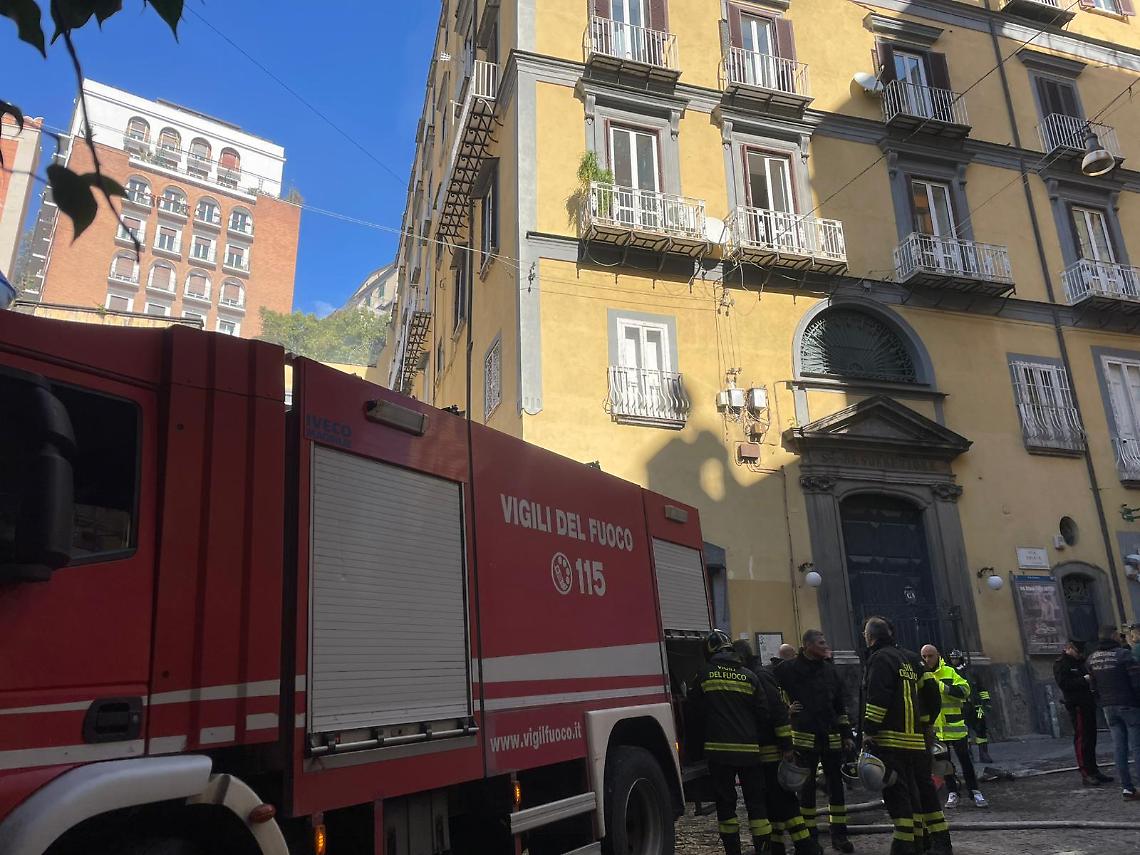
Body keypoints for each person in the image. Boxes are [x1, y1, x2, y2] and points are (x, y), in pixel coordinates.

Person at [689, 629, 776, 855]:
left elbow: (694, 714)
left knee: (726, 807)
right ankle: (764, 850)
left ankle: (733, 851)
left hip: (719, 754)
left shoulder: (704, 676)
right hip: (750, 752)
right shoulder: (750, 676)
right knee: (757, 805)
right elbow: (764, 714)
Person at [775, 631, 855, 853]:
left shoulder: (830, 671)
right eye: (821, 643)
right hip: (804, 740)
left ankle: (839, 836)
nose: (825, 646)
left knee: (836, 789)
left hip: (831, 738)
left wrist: (846, 734)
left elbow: (840, 705)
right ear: (807, 645)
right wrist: (785, 710)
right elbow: (768, 691)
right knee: (806, 791)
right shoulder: (788, 670)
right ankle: (810, 839)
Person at [862, 617, 930, 855]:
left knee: (896, 794)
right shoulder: (904, 659)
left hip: (890, 739)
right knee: (912, 792)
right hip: (912, 738)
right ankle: (919, 840)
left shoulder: (880, 659)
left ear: (870, 637)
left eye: (865, 634)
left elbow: (877, 698)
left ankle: (903, 846)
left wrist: (869, 730)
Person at [753, 662, 822, 855]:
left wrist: (786, 747)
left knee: (785, 801)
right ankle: (778, 847)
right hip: (767, 752)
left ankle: (806, 846)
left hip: (771, 753)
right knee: (773, 804)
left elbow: (776, 713)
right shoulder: (761, 676)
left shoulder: (759, 677)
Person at [920, 645, 987, 809]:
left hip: (955, 726)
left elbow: (965, 690)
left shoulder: (949, 671)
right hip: (936, 729)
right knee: (944, 764)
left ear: (938, 656)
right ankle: (953, 792)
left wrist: (944, 687)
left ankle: (975, 791)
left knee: (965, 761)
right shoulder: (921, 675)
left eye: (930, 656)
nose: (927, 659)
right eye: (924, 656)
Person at [1087, 625, 1140, 800]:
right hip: (1128, 705)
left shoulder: (1092, 659)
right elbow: (1136, 682)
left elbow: (1093, 686)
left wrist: (1101, 702)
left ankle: (1127, 788)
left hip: (1108, 708)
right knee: (1137, 747)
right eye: (1118, 634)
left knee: (1119, 748)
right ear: (1114, 636)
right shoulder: (1124, 655)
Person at [1053, 638, 1112, 786]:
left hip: (1088, 703)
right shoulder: (1062, 664)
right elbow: (1064, 684)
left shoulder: (1080, 662)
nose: (1080, 655)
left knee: (1091, 738)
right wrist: (1084, 680)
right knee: (1082, 739)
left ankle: (1094, 770)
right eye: (1077, 651)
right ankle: (1086, 773)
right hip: (1076, 705)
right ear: (1069, 648)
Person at [947, 650, 992, 765]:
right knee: (964, 732)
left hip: (976, 705)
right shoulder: (950, 673)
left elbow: (981, 688)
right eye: (952, 658)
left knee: (981, 728)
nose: (954, 660)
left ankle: (984, 753)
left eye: (956, 658)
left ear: (961, 658)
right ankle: (969, 754)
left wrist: (986, 702)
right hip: (962, 706)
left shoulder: (971, 672)